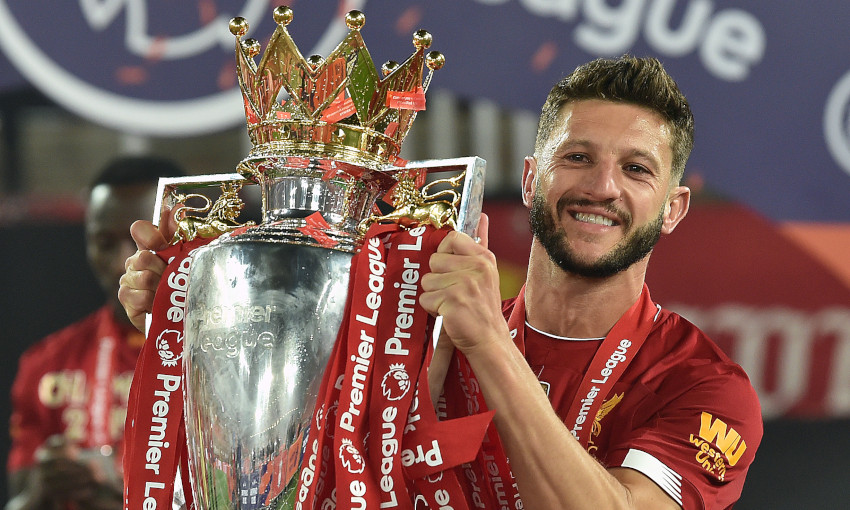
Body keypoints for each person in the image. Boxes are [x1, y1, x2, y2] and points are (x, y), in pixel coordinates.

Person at [118, 55, 762, 509]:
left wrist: (489, 344)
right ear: (533, 178)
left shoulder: (702, 386)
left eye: (637, 169)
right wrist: (206, 317)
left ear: (674, 207)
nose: (601, 187)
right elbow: (294, 482)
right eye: (578, 157)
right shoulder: (408, 334)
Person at [6, 156, 185, 510]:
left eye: (141, 243)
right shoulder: (47, 363)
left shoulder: (220, 359)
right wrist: (43, 486)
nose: (123, 263)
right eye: (104, 242)